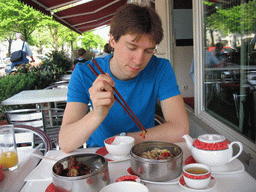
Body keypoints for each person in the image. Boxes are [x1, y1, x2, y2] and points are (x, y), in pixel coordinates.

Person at [59, 3, 189, 153]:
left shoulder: (160, 68)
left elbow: (181, 128)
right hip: (100, 155)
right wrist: (97, 114)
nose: (139, 60)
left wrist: (125, 140)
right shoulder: (85, 72)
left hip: (144, 153)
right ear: (113, 40)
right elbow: (66, 142)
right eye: (132, 48)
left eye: (148, 51)